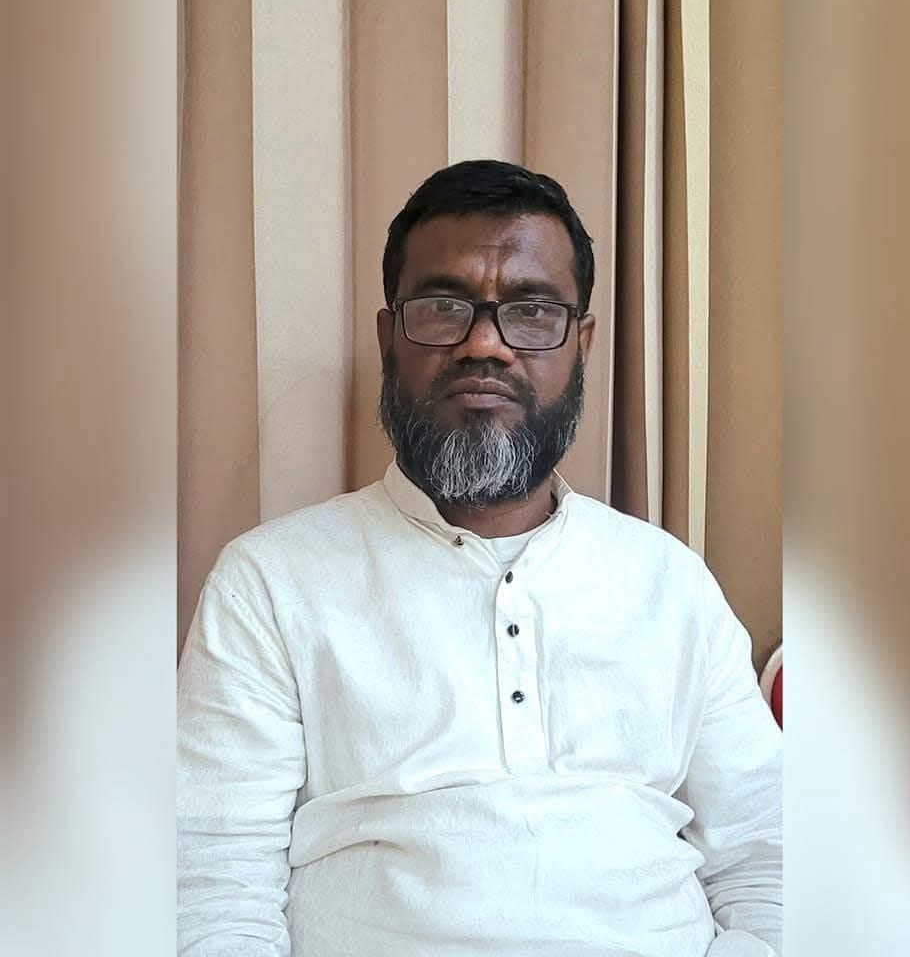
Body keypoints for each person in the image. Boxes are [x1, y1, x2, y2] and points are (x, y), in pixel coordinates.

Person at [177, 160, 782, 956]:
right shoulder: (270, 582)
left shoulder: (669, 582)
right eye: (444, 307)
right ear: (389, 338)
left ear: (582, 344)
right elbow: (214, 883)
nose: (485, 344)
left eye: (532, 311)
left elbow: (766, 857)